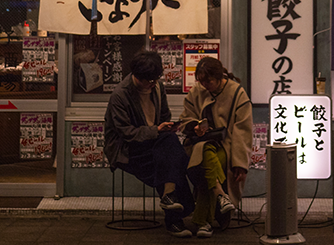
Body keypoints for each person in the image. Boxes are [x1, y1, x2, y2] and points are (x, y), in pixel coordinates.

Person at [104, 50, 194, 238]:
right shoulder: (120, 95)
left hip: (154, 142)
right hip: (127, 148)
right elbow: (126, 132)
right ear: (138, 76)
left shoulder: (158, 87)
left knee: (167, 154)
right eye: (150, 81)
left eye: (156, 79)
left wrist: (166, 126)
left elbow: (165, 115)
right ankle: (174, 219)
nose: (153, 84)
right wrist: (156, 130)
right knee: (169, 161)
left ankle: (170, 198)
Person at [179, 57, 252, 238]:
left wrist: (240, 163)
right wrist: (194, 125)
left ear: (219, 77)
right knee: (206, 153)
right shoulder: (197, 92)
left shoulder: (236, 93)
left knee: (208, 170)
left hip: (226, 146)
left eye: (208, 81)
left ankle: (203, 221)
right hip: (199, 144)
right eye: (201, 81)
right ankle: (219, 198)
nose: (204, 85)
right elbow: (185, 119)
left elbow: (243, 130)